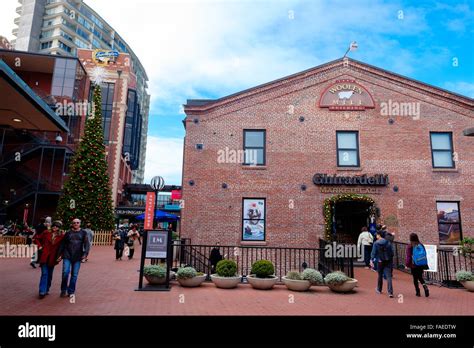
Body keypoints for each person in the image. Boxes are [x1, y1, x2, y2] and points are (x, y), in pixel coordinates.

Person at [57, 218, 89, 297]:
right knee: (65, 273)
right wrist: (60, 255)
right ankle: (63, 290)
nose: (76, 224)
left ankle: (71, 291)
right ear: (72, 224)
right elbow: (63, 244)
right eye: (74, 223)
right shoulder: (68, 233)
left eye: (77, 222)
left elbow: (87, 244)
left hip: (78, 257)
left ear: (80, 224)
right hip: (67, 255)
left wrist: (85, 255)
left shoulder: (83, 233)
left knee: (74, 275)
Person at [35, 221, 65, 299]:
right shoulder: (46, 232)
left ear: (59, 228)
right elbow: (36, 238)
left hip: (53, 257)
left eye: (57, 227)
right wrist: (40, 246)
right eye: (54, 226)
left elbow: (63, 247)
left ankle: (47, 288)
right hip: (44, 256)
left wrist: (61, 256)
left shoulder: (61, 236)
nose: (55, 228)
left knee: (50, 274)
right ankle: (42, 291)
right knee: (44, 273)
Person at [370, 230, 394, 298]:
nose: (376, 236)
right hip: (388, 261)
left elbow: (373, 253)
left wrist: (371, 260)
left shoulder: (376, 243)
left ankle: (379, 289)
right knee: (389, 276)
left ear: (379, 235)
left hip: (380, 261)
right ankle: (390, 292)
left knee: (380, 275)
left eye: (377, 234)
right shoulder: (388, 242)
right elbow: (392, 252)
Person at [406, 233, 429, 297]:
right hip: (421, 264)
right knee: (420, 276)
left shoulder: (410, 246)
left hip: (414, 265)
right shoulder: (421, 245)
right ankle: (425, 286)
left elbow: (408, 257)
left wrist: (407, 264)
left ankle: (418, 292)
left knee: (415, 279)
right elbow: (424, 254)